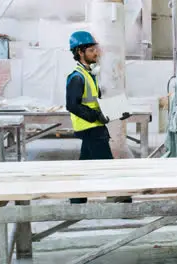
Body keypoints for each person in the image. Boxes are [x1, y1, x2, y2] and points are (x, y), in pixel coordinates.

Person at [66, 31, 131, 204]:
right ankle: (120, 201)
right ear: (80, 52)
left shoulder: (89, 75)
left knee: (85, 165)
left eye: (96, 49)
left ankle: (77, 201)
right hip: (89, 127)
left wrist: (116, 110)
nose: (96, 53)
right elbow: (72, 105)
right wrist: (96, 115)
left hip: (94, 126)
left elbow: (95, 101)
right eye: (92, 50)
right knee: (107, 166)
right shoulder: (77, 77)